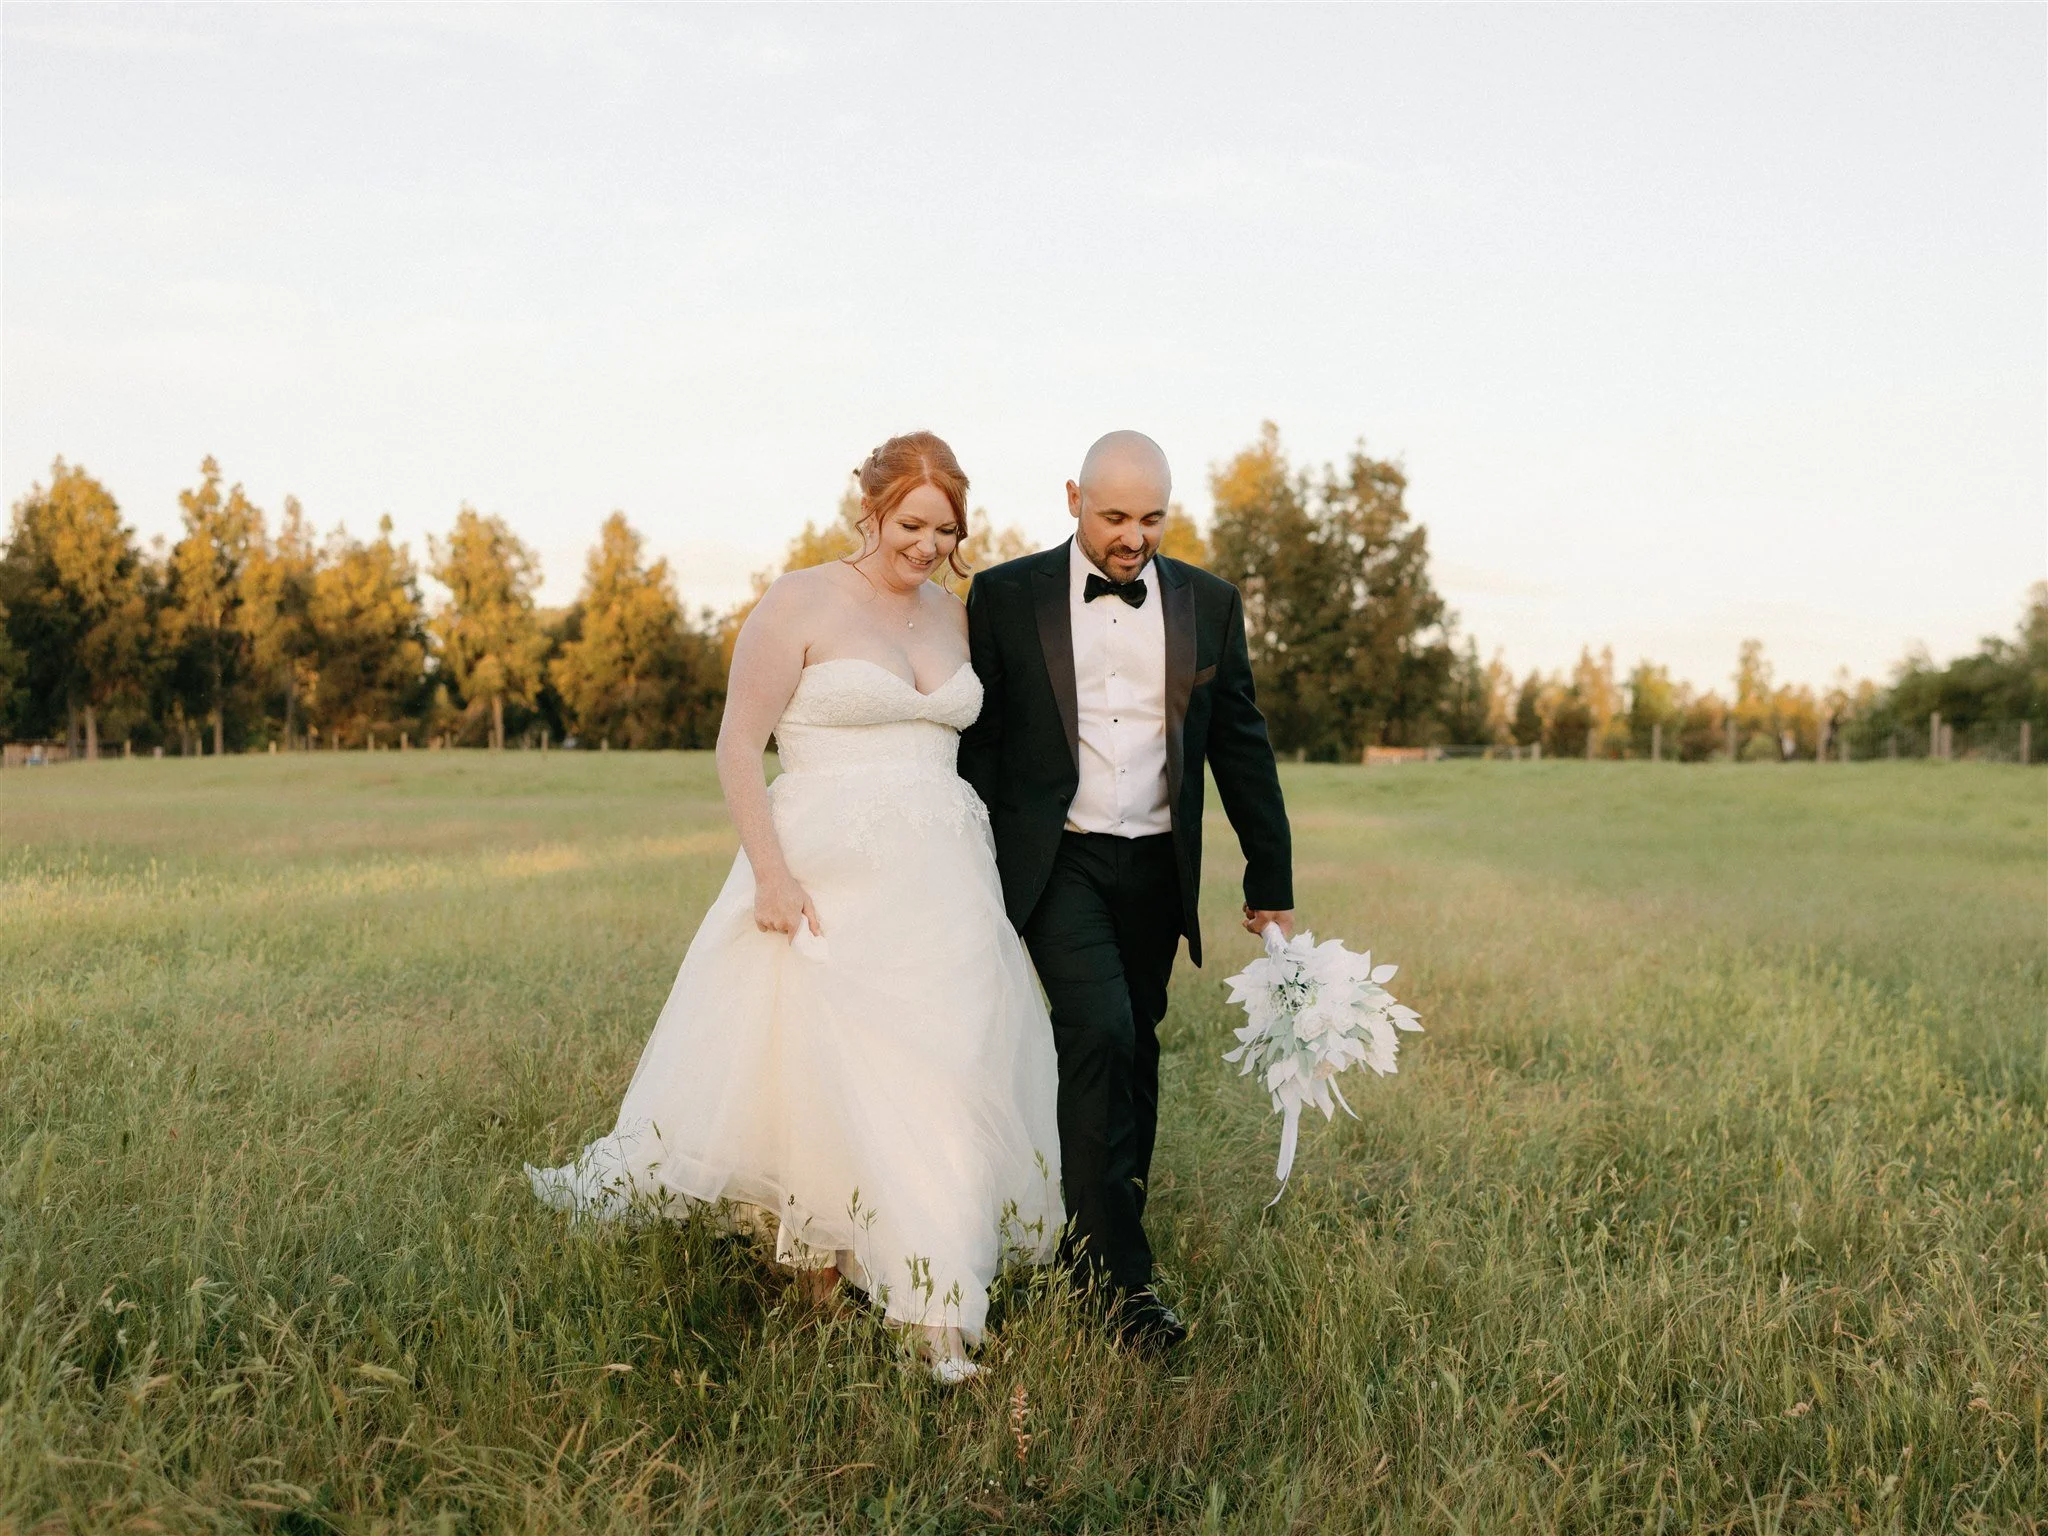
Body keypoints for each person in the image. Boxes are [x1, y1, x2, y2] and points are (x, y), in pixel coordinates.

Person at [527, 432, 1061, 1383]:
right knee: (824, 1071)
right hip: (822, 872)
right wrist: (771, 875)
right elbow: (739, 748)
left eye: (946, 529)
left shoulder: (958, 616)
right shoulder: (798, 601)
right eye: (911, 524)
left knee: (942, 1074)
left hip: (943, 878)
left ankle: (931, 1309)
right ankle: (837, 1267)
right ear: (871, 510)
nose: (928, 546)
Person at [958, 430, 1295, 1350]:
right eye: (1114, 517)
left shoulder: (1210, 604)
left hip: (1157, 865)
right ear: (1073, 498)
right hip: (1056, 861)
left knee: (1135, 1050)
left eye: (1152, 519)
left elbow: (1241, 745)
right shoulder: (1003, 594)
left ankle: (1094, 1236)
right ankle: (1123, 1289)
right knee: (1099, 1033)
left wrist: (1271, 880)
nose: (1132, 539)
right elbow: (977, 741)